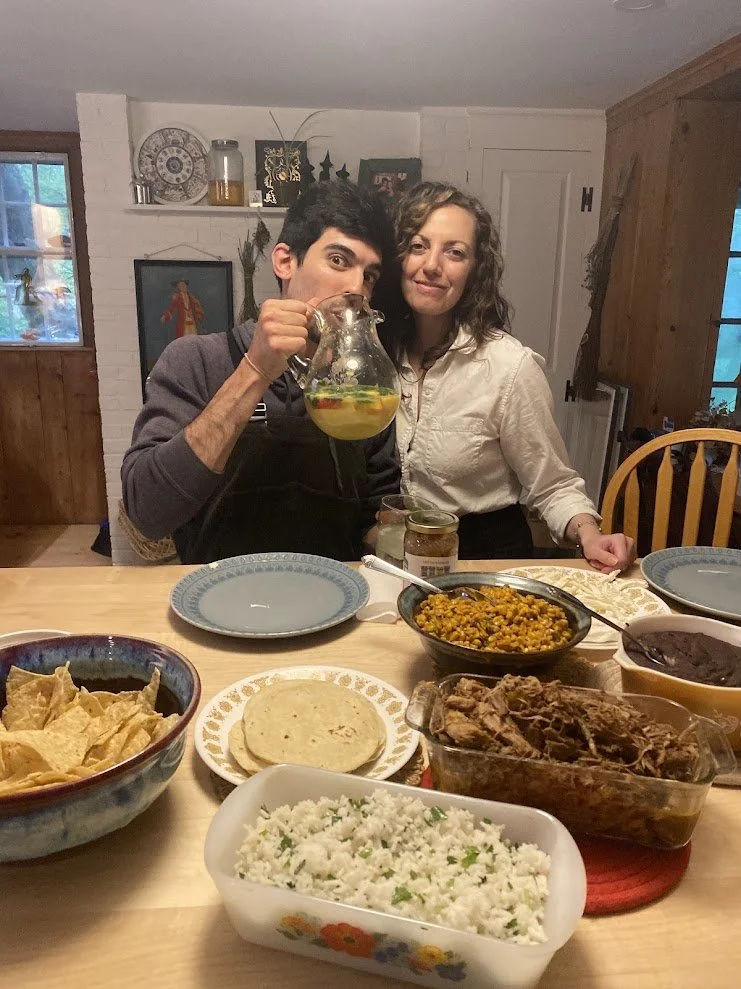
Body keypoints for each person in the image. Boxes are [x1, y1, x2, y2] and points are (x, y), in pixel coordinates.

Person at [121, 182, 400, 564]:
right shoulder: (196, 361)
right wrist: (254, 371)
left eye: (369, 276)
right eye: (338, 260)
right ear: (285, 261)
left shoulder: (365, 386)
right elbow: (147, 513)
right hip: (216, 593)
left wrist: (409, 535)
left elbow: (375, 515)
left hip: (334, 592)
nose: (356, 288)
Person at [382, 181, 635, 572]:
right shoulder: (376, 354)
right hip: (396, 554)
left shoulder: (509, 367)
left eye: (455, 252)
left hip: (485, 558)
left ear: (475, 271)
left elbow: (552, 483)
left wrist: (590, 534)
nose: (431, 265)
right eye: (418, 245)